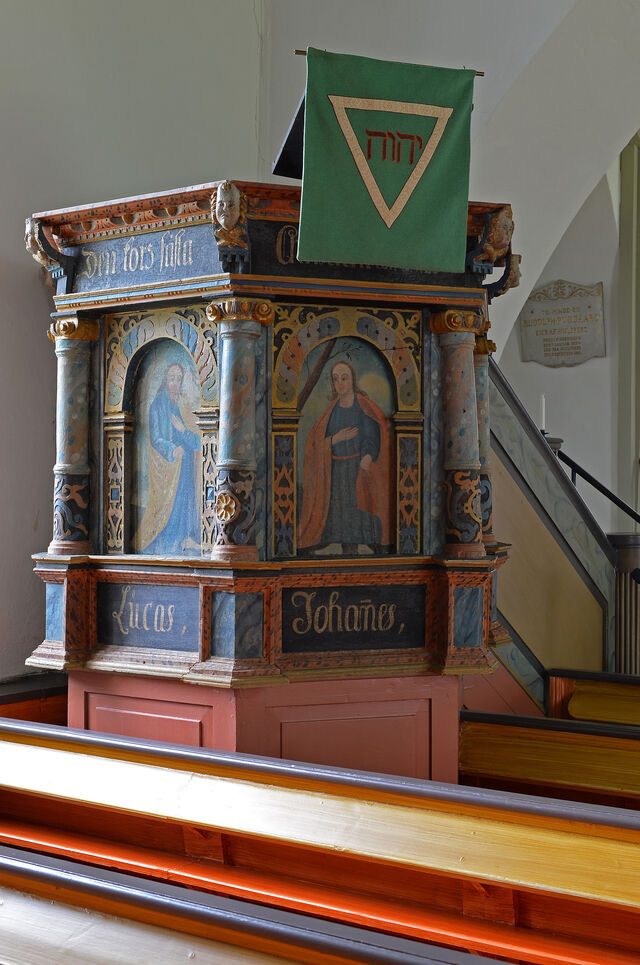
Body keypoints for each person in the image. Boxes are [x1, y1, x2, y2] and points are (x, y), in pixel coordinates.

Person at [298, 360, 392, 554]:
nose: (340, 383)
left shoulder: (363, 407)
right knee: (337, 515)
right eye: (336, 379)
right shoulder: (330, 411)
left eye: (344, 378)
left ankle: (357, 552)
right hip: (335, 472)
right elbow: (315, 443)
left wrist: (368, 455)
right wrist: (335, 439)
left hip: (357, 470)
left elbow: (372, 434)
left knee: (357, 512)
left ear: (352, 380)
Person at [134, 362, 201, 555]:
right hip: (170, 466)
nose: (175, 383)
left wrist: (183, 430)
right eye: (172, 378)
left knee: (186, 504)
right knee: (172, 506)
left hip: (186, 465)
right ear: (165, 380)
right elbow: (156, 439)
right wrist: (172, 450)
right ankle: (168, 546)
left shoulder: (184, 406)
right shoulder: (158, 405)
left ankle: (185, 541)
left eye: (179, 379)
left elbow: (197, 441)